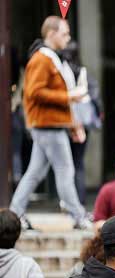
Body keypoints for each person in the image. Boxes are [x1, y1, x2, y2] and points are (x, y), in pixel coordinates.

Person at [10, 16, 90, 230]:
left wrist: (72, 118)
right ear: (51, 34)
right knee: (65, 170)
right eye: (64, 33)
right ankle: (78, 216)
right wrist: (68, 97)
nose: (68, 38)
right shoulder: (42, 59)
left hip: (48, 124)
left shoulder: (50, 58)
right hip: (47, 125)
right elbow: (34, 92)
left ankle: (15, 214)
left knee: (35, 173)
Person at [60, 41, 103, 207]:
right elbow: (96, 96)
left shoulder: (60, 72)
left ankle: (67, 201)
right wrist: (98, 115)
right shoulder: (83, 72)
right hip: (83, 123)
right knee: (78, 162)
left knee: (64, 163)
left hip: (64, 122)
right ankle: (80, 199)